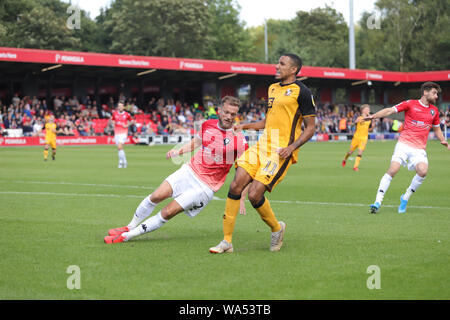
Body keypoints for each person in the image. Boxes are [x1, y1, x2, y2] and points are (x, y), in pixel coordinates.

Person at [209, 53, 316, 254]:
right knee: (235, 185)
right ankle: (227, 241)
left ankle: (277, 228)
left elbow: (311, 128)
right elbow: (268, 122)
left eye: (281, 64)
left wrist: (292, 148)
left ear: (293, 69)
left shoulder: (302, 92)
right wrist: (245, 126)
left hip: (281, 151)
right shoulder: (272, 88)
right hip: (261, 146)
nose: (277, 66)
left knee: (254, 193)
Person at [104, 96, 249, 244]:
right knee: (156, 196)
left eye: (233, 114)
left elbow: (247, 169)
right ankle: (129, 227)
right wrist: (178, 152)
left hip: (205, 187)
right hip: (189, 171)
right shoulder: (207, 125)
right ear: (219, 111)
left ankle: (126, 237)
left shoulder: (239, 139)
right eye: (226, 112)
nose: (229, 117)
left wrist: (242, 197)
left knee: (167, 212)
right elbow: (196, 142)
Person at [366, 82, 449, 214]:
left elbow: (437, 128)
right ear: (425, 92)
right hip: (404, 144)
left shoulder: (434, 111)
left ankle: (405, 198)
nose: (436, 95)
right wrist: (373, 116)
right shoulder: (410, 104)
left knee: (423, 171)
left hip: (419, 149)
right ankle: (377, 201)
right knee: (393, 169)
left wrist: (443, 140)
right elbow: (389, 110)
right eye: (434, 92)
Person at [342, 104, 372, 171]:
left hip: (364, 138)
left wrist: (372, 126)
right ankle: (344, 159)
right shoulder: (359, 118)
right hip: (356, 138)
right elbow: (352, 125)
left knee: (360, 151)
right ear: (363, 110)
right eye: (367, 109)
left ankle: (355, 166)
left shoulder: (370, 118)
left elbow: (370, 129)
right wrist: (354, 122)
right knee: (350, 152)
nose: (369, 110)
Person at [111, 101, 133, 168]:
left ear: (123, 107)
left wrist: (126, 125)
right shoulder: (115, 114)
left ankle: (120, 162)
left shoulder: (127, 114)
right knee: (119, 148)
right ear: (117, 107)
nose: (120, 107)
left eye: (121, 106)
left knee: (120, 147)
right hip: (116, 132)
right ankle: (125, 161)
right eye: (119, 106)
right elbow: (113, 120)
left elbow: (132, 121)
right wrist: (113, 124)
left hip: (123, 132)